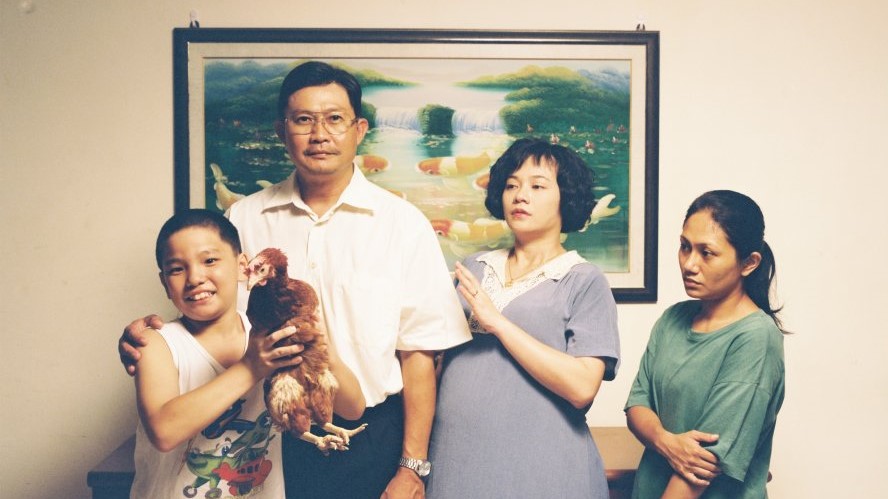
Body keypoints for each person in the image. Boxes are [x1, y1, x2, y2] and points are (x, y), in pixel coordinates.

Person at [119, 61, 472, 498]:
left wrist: (412, 467)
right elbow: (209, 315)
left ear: (359, 129)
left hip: (369, 432)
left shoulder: (403, 224)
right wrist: (150, 341)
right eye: (303, 119)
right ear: (281, 131)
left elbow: (418, 352)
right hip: (266, 433)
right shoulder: (244, 218)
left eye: (334, 119)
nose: (319, 134)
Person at [426, 138, 621, 498]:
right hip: (457, 461)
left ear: (566, 197)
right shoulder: (473, 267)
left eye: (537, 186)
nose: (520, 196)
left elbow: (582, 388)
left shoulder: (583, 279)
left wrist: (498, 323)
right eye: (511, 185)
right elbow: (437, 364)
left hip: (544, 468)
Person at [133, 209, 363, 498]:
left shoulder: (270, 333)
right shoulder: (156, 342)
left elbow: (353, 408)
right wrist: (251, 367)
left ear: (243, 267)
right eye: (177, 269)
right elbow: (164, 432)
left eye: (209, 260)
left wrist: (321, 346)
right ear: (165, 283)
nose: (195, 277)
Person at [624, 190, 786, 498]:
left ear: (749, 263)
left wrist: (667, 443)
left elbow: (705, 464)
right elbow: (636, 405)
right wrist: (666, 442)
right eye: (685, 247)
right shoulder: (672, 319)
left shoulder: (755, 338)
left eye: (706, 253)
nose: (689, 264)